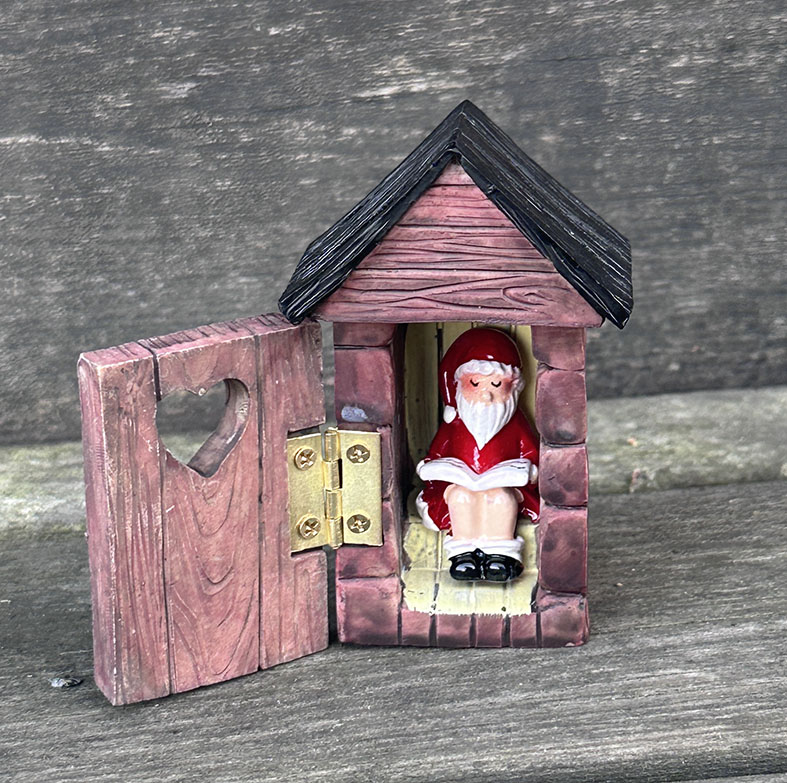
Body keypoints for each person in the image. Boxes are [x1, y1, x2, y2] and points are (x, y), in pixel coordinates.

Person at [416, 327, 539, 582]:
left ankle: (501, 556)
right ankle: (463, 555)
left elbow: (531, 452)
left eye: (496, 384)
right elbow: (437, 451)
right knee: (460, 498)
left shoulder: (515, 423)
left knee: (500, 499)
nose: (486, 393)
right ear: (460, 384)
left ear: (512, 386)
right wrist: (429, 466)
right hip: (460, 484)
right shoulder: (455, 423)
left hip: (505, 485)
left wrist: (531, 469)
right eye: (475, 384)